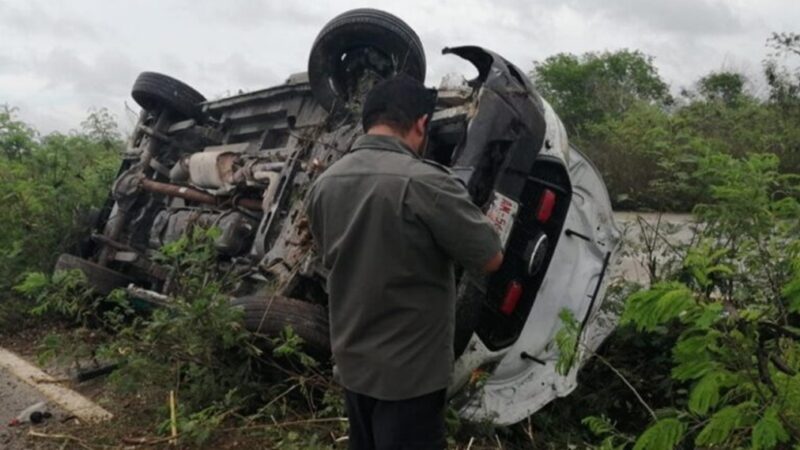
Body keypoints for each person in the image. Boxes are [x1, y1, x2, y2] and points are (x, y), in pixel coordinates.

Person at [305, 75, 504, 450]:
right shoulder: (425, 183)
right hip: (409, 377)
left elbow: (330, 254)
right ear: (422, 124)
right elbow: (490, 257)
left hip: (353, 366)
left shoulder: (324, 185)